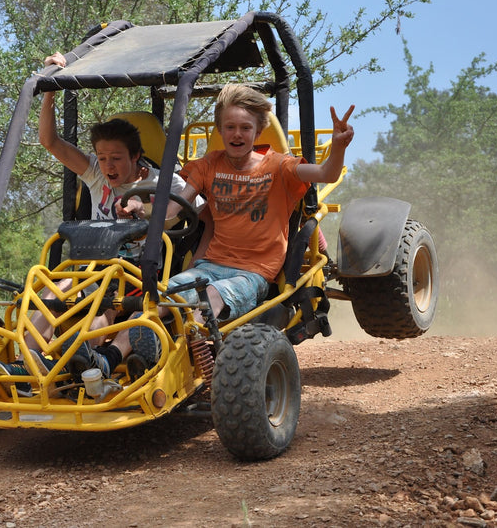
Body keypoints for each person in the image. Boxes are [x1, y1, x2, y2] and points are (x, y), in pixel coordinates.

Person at [71, 83, 354, 380]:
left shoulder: (278, 166)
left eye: (245, 128)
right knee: (160, 296)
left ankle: (165, 351)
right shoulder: (209, 165)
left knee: (209, 295)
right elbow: (172, 209)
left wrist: (338, 147)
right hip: (210, 265)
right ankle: (109, 356)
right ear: (219, 130)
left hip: (253, 272)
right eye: (229, 127)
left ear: (258, 132)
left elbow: (326, 174)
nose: (237, 134)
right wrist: (141, 210)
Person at [0, 52, 205, 392]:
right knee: (48, 294)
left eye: (116, 158)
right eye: (102, 158)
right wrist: (50, 91)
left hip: (139, 270)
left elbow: (200, 213)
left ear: (135, 157)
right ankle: (27, 365)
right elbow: (49, 142)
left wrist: (151, 214)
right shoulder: (95, 175)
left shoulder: (166, 182)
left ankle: (97, 364)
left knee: (105, 310)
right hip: (92, 267)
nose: (108, 166)